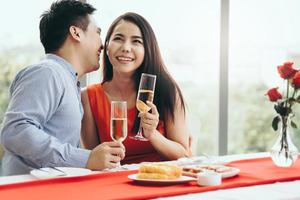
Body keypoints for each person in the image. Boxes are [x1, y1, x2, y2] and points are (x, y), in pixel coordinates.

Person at [0, 0, 125, 176]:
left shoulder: (68, 81)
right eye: (97, 33)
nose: (102, 44)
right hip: (28, 189)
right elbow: (15, 130)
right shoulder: (47, 73)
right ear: (76, 33)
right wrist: (85, 158)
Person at [81, 12, 190, 165]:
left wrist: (153, 134)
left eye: (136, 41)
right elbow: (93, 160)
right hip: (115, 182)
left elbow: (184, 156)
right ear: (106, 46)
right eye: (118, 39)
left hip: (160, 179)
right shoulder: (88, 96)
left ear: (147, 50)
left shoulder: (167, 90)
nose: (126, 48)